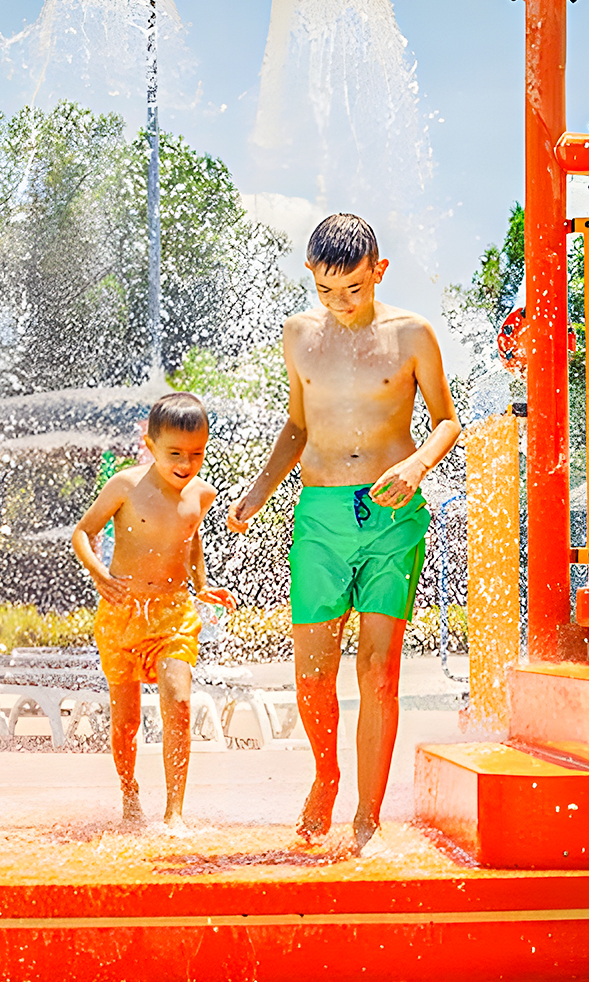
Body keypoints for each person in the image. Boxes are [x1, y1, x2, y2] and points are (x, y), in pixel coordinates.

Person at [227, 213, 460, 852]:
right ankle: (325, 775)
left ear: (378, 271)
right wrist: (257, 492)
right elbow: (298, 428)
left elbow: (446, 421)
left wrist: (414, 467)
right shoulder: (299, 337)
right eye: (327, 291)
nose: (341, 304)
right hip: (321, 516)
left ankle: (367, 815)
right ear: (311, 278)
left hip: (393, 516)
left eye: (353, 289)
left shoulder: (413, 334)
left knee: (380, 673)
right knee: (311, 677)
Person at [72, 392, 237, 828]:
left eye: (197, 453)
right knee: (125, 723)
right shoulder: (125, 486)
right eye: (175, 454)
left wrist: (203, 586)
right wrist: (98, 575)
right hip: (122, 613)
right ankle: (129, 794)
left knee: (179, 703)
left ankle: (174, 813)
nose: (186, 464)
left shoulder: (202, 494)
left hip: (173, 615)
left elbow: (191, 537)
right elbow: (83, 533)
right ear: (150, 445)